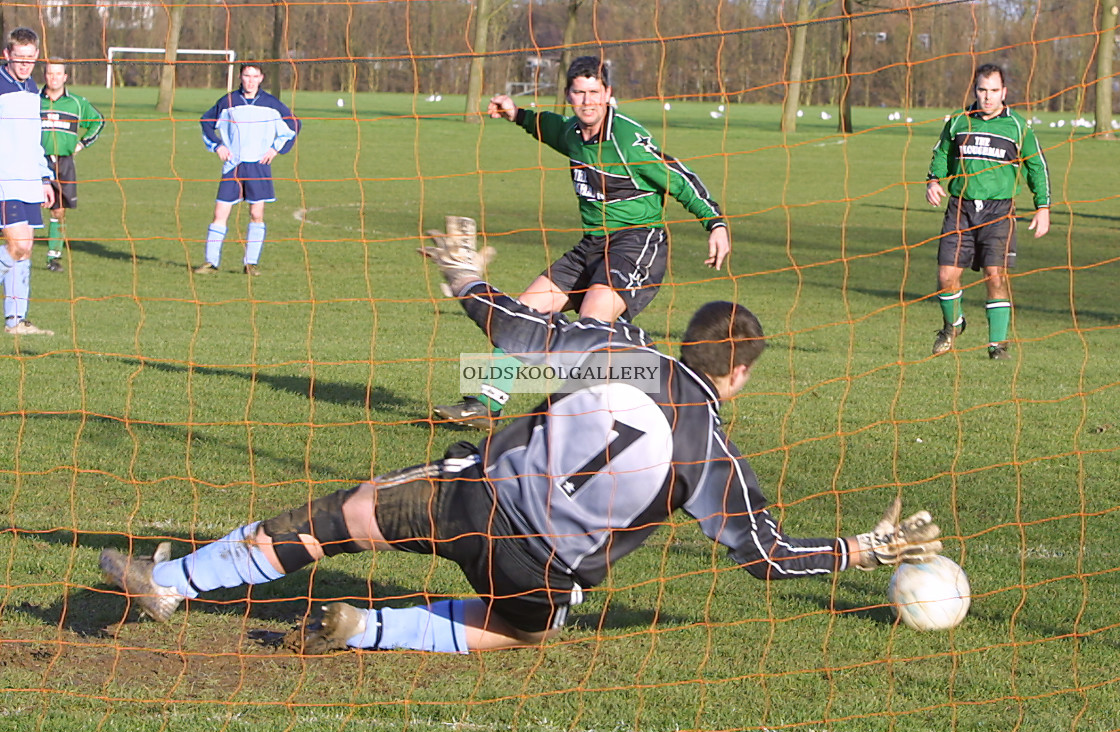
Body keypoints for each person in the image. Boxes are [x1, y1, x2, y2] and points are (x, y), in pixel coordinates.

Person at [99, 218, 942, 654]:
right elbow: (765, 555)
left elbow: (513, 337)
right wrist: (865, 548)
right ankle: (371, 632)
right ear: (741, 374)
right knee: (518, 632)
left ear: (689, 342)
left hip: (471, 497)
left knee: (335, 519)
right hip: (539, 571)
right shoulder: (707, 453)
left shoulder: (627, 356)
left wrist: (463, 274)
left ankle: (173, 581)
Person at [432, 55, 732, 429]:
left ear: (608, 94)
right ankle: (485, 406)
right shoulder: (573, 133)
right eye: (579, 92)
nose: (587, 100)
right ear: (569, 96)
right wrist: (514, 113)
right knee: (523, 311)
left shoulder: (627, 140)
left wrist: (715, 224)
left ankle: (637, 405)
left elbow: (681, 179)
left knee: (592, 320)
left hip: (637, 244)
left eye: (595, 92)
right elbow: (547, 126)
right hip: (591, 245)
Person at [926, 63, 1050, 360]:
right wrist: (933, 180)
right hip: (960, 209)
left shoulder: (1018, 126)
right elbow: (942, 153)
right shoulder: (958, 121)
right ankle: (953, 325)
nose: (988, 96)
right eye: (982, 89)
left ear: (1004, 92)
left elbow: (1037, 167)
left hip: (999, 212)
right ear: (975, 90)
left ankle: (997, 346)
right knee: (946, 276)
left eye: (994, 90)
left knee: (996, 276)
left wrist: (1042, 207)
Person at [194, 63, 300, 276]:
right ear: (240, 77)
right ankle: (211, 261)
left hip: (258, 167)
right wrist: (218, 145)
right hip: (233, 166)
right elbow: (206, 121)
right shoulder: (228, 101)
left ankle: (250, 263)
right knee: (220, 212)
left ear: (261, 78)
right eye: (246, 76)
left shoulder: (271, 104)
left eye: (255, 76)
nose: (250, 80)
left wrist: (275, 149)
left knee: (256, 213)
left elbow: (294, 126)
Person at [0, 27, 54, 336]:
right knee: (16, 245)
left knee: (26, 250)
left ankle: (16, 321)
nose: (24, 65)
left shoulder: (33, 88)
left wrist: (44, 176)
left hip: (30, 179)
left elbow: (35, 139)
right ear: (7, 54)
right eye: (19, 58)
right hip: (5, 179)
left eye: (31, 59)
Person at [39, 59, 105, 273]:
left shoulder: (77, 103)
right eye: (50, 73)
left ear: (65, 77)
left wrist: (82, 143)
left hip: (64, 162)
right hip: (36, 161)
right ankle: (17, 249)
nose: (54, 77)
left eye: (58, 74)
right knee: (24, 207)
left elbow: (98, 121)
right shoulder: (34, 101)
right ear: (45, 75)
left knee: (58, 211)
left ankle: (53, 257)